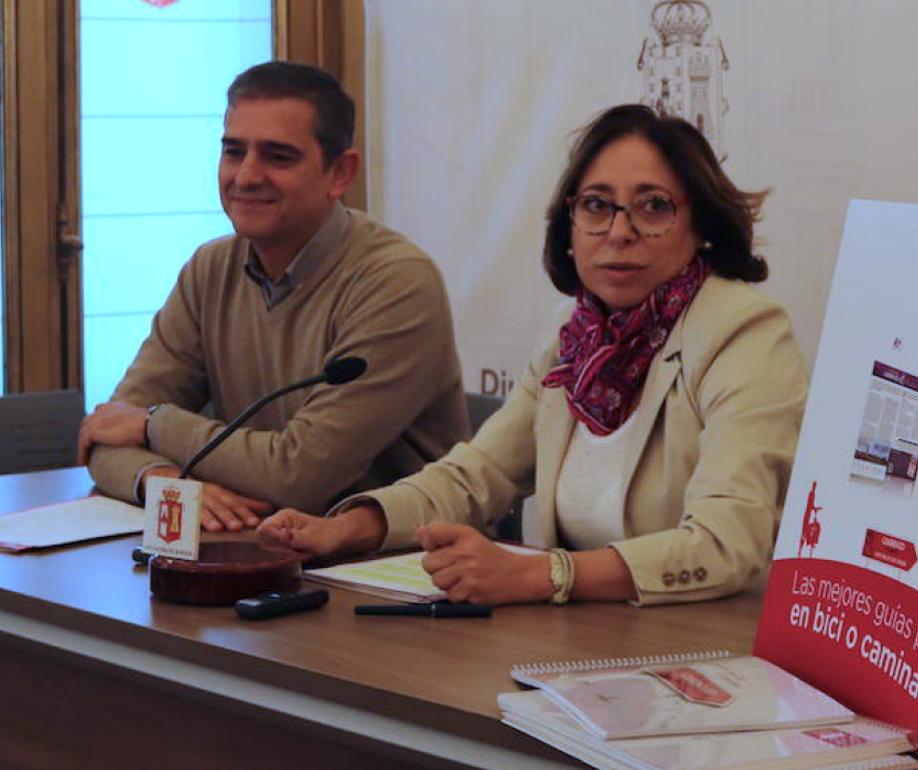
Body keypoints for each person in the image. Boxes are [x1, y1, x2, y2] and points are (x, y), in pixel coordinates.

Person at [258, 104, 808, 606]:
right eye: (597, 205)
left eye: (654, 206)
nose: (619, 231)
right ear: (569, 224)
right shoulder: (575, 339)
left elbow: (725, 543)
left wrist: (546, 575)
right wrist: (345, 528)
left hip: (701, 651)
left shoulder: (744, 334)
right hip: (578, 644)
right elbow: (477, 475)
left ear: (701, 226)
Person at [76, 61, 469, 531]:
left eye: (278, 157)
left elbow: (298, 476)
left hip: (388, 571)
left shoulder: (396, 282)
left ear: (340, 173)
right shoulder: (210, 268)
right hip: (249, 552)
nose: (245, 176)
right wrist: (164, 482)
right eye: (233, 151)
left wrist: (154, 425)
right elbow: (102, 437)